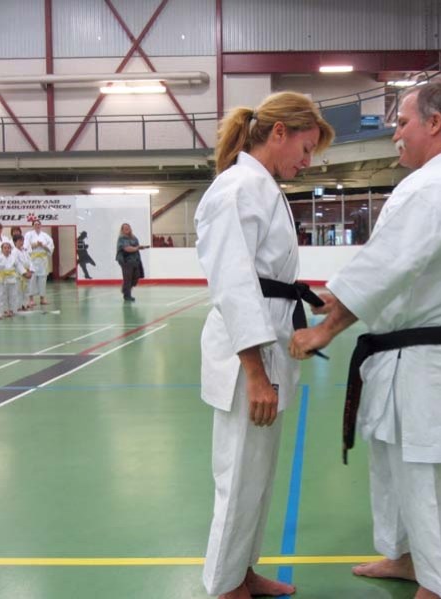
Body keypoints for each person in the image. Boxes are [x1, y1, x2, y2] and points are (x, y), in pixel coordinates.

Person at [289, 82, 441, 599]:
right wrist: (339, 295)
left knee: (426, 473)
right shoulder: (433, 185)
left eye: (402, 123)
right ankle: (403, 557)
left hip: (429, 358)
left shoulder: (440, 187)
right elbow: (386, 262)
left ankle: (437, 583)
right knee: (393, 462)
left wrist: (327, 328)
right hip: (402, 352)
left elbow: (391, 266)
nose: (395, 134)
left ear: (435, 123)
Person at [195, 91, 333, 599]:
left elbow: (269, 278)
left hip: (268, 343)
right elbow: (234, 285)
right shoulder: (236, 189)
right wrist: (255, 372)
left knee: (258, 474)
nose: (308, 159)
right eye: (306, 145)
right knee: (237, 474)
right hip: (245, 358)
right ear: (279, 132)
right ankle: (224, 585)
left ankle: (244, 570)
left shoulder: (262, 187)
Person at [115, 224, 149, 302]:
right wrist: (137, 248)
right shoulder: (121, 238)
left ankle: (124, 289)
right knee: (128, 278)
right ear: (122, 230)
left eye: (128, 228)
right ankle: (127, 295)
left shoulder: (134, 238)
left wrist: (141, 247)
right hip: (125, 260)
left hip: (135, 260)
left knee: (136, 276)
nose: (127, 229)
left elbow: (136, 247)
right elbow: (127, 249)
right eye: (125, 228)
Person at [24, 219, 54, 307]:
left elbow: (51, 248)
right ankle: (31, 299)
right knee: (32, 279)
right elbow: (26, 247)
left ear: (41, 225)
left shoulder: (45, 236)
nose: (37, 226)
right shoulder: (28, 235)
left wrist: (43, 245)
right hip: (32, 259)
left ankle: (42, 298)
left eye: (38, 224)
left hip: (43, 260)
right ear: (33, 225)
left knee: (43, 279)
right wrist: (35, 244)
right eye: (35, 224)